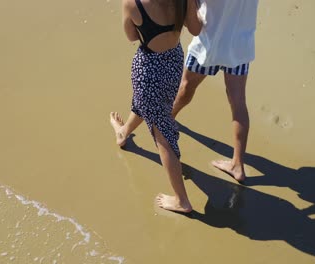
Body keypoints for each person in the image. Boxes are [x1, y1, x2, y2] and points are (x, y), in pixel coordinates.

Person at [110, 0, 202, 213]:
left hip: (149, 70)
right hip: (173, 62)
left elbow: (132, 36)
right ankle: (123, 133)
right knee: (151, 106)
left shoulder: (132, 4)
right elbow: (196, 29)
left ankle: (182, 201)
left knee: (163, 138)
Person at [172, 0, 259, 182]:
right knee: (238, 103)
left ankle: (164, 122)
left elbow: (194, 25)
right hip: (240, 47)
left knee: (186, 88)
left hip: (208, 46)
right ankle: (237, 165)